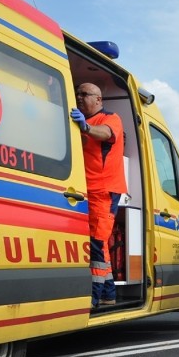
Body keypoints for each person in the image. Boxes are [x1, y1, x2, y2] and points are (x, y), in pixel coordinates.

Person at [70, 83, 127, 309]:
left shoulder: (109, 118)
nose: (80, 97)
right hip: (85, 192)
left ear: (99, 100)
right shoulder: (78, 119)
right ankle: (108, 294)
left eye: (85, 94)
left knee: (95, 244)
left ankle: (93, 297)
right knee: (99, 244)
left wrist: (85, 127)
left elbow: (106, 134)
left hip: (102, 191)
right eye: (77, 94)